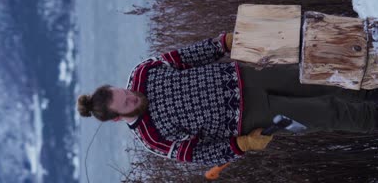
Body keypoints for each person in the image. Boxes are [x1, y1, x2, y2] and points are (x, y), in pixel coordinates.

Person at [77, 33, 378, 166]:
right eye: (127, 102)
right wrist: (240, 145)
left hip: (251, 76)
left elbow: (188, 56)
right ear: (118, 118)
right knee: (329, 112)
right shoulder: (153, 138)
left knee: (322, 78)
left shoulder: (143, 72)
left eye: (125, 91)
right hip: (257, 117)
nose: (133, 94)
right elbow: (202, 155)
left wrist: (224, 42)